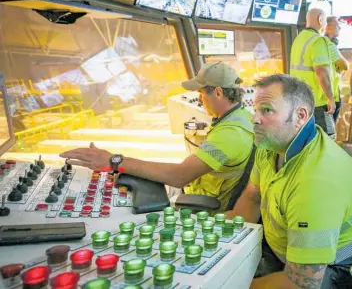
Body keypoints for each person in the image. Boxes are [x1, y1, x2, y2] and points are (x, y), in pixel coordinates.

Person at [227, 74, 352, 288]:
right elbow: (253, 196)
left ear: (300, 116)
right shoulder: (271, 146)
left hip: (344, 270)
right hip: (288, 252)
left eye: (266, 110)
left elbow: (301, 284)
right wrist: (228, 247)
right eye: (255, 110)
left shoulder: (317, 180)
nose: (255, 118)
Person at [60, 62, 254, 211]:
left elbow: (179, 176)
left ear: (218, 93)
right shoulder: (241, 117)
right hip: (197, 189)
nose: (201, 100)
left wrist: (114, 161)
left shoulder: (230, 134)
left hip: (206, 208)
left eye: (202, 94)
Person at [290, 8, 336, 136]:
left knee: (305, 140)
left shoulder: (298, 39)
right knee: (327, 138)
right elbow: (322, 73)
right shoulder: (317, 40)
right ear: (320, 19)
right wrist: (331, 98)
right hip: (316, 103)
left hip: (299, 101)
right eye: (325, 21)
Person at [325, 16, 350, 122]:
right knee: (330, 130)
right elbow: (345, 66)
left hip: (330, 93)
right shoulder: (328, 44)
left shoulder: (326, 44)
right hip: (329, 96)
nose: (340, 28)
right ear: (328, 27)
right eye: (337, 25)